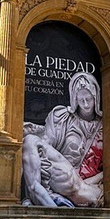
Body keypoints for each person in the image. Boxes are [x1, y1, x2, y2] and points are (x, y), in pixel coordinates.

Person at [21, 71, 104, 208]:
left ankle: (46, 197)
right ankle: (45, 195)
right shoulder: (62, 118)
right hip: (62, 177)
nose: (86, 104)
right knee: (31, 146)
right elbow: (43, 151)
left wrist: (90, 181)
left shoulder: (108, 126)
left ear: (96, 97)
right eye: (81, 100)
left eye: (89, 99)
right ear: (74, 99)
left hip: (87, 184)